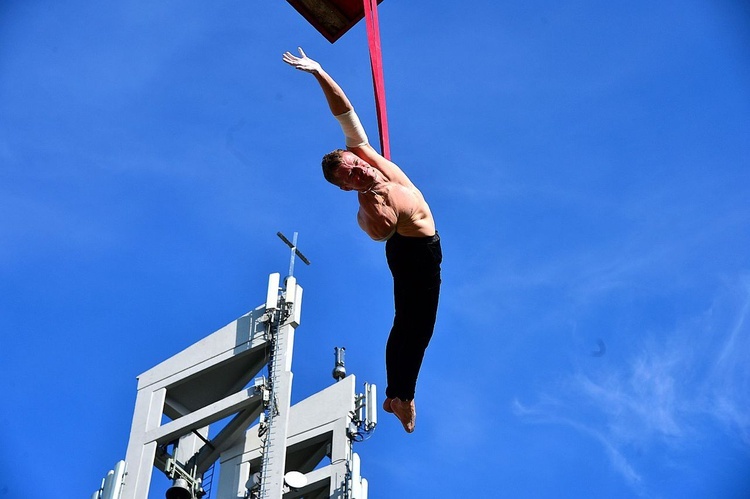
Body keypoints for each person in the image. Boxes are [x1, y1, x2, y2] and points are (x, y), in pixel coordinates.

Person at [283, 47, 441, 433]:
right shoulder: (372, 200)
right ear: (345, 187)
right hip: (412, 254)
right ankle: (400, 397)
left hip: (425, 248)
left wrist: (319, 71)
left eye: (355, 166)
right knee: (415, 327)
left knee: (412, 326)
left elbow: (343, 110)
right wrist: (372, 206)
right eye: (350, 177)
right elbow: (383, 231)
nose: (358, 172)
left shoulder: (366, 153)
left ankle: (397, 395)